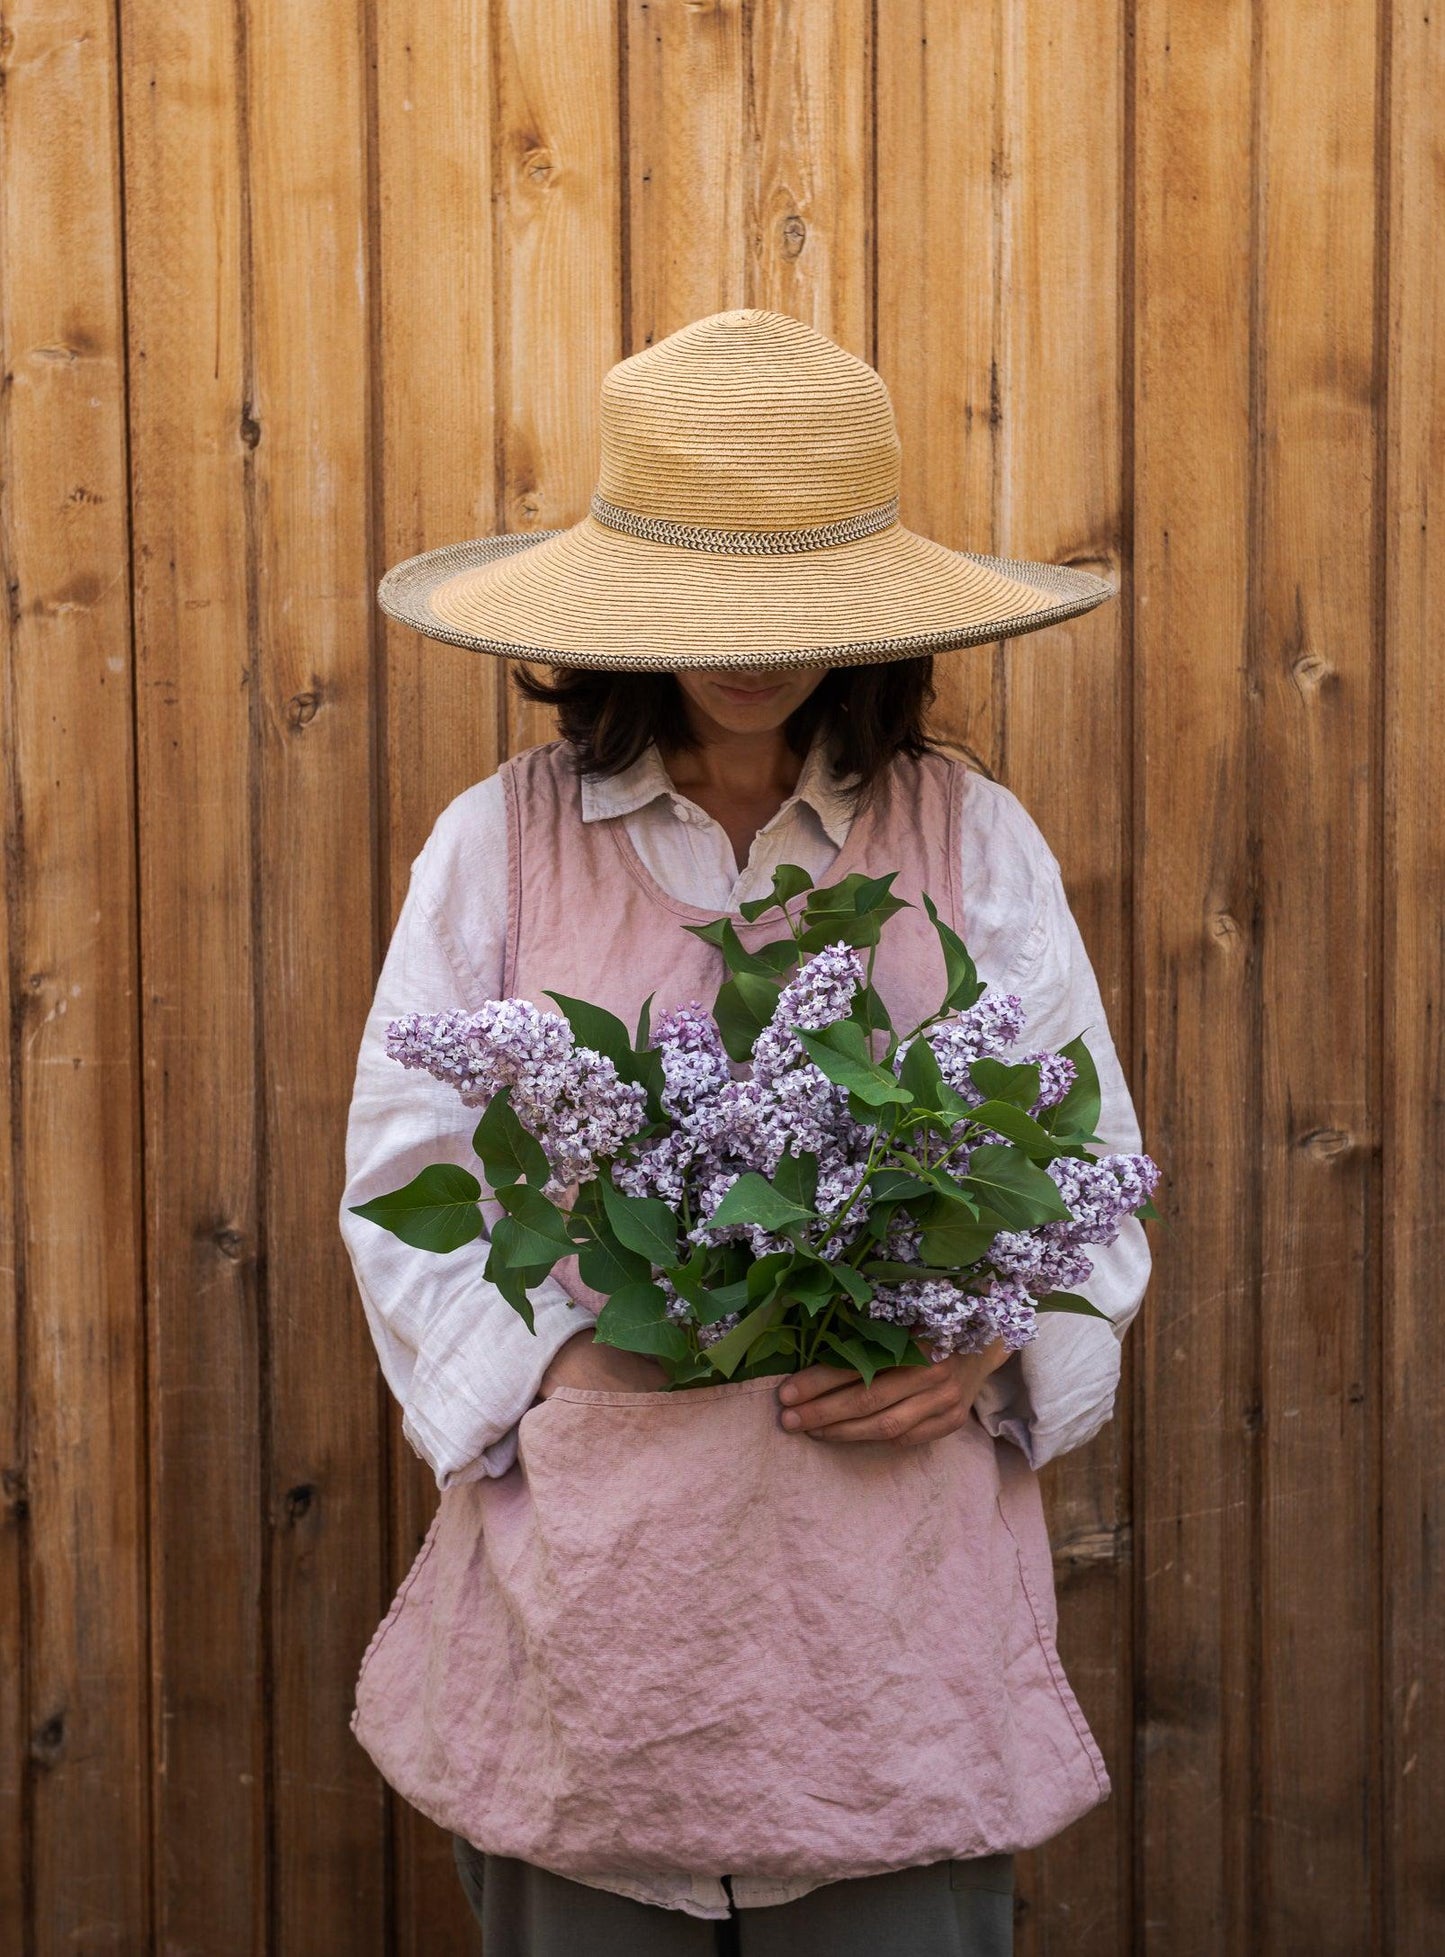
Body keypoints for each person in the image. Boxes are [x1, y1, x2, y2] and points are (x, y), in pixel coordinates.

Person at [339, 310, 1152, 1956]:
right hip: (596, 1611)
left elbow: (1083, 1168)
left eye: (793, 607)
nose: (751, 651)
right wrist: (570, 1359)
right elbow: (408, 1177)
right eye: (708, 605)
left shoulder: (964, 835)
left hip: (888, 1612)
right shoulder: (500, 845)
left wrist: (993, 1347)